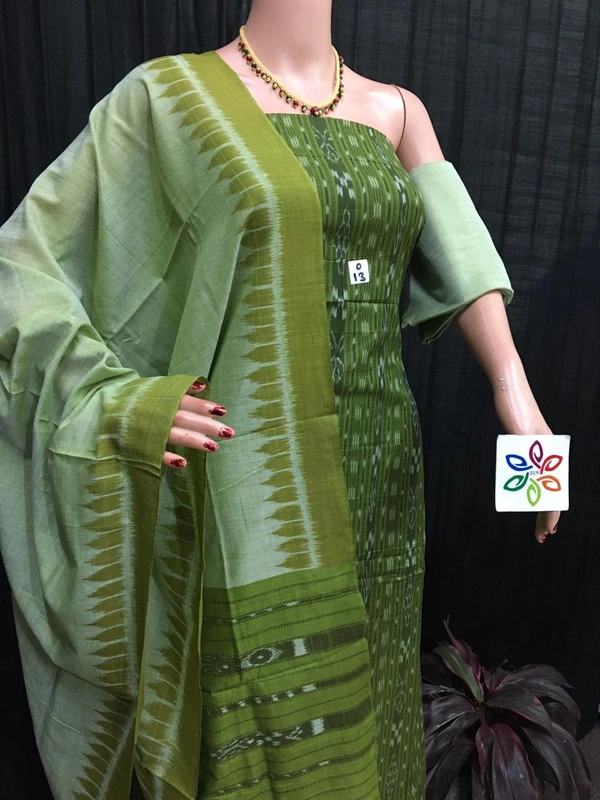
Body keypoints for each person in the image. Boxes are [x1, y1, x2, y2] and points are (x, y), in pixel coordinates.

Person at [0, 0, 561, 797]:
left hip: (382, 473)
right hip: (252, 479)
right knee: (263, 714)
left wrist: (519, 397)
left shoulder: (398, 112)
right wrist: (124, 402)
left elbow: (465, 261)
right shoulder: (169, 99)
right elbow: (21, 267)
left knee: (373, 699)